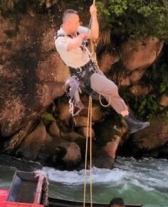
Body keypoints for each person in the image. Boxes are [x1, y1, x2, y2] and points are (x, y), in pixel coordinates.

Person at [54, 5, 150, 134]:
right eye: (76, 22)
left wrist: (94, 15)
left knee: (113, 95)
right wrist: (82, 36)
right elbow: (73, 44)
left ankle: (130, 121)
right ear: (68, 23)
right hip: (83, 76)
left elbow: (94, 34)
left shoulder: (76, 30)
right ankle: (130, 121)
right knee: (112, 88)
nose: (79, 24)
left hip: (92, 68)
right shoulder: (60, 40)